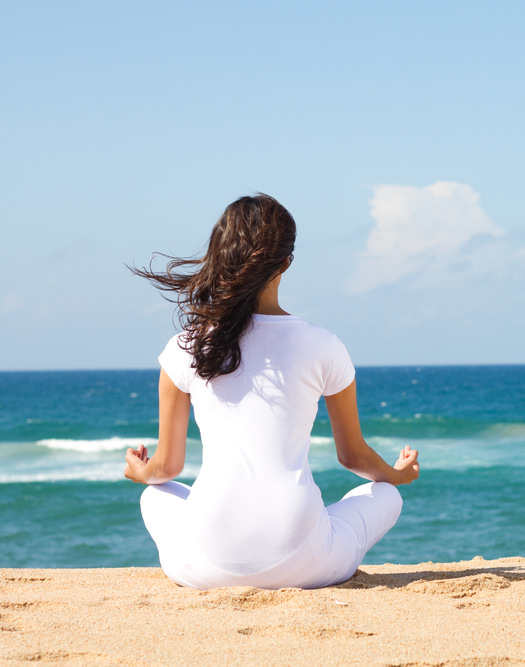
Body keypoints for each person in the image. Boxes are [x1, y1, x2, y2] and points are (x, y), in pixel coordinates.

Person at [124, 193, 419, 590]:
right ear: (285, 263)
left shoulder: (185, 348)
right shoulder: (323, 345)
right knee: (384, 495)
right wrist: (396, 476)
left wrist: (140, 470)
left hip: (205, 568)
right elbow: (353, 456)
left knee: (155, 495)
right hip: (306, 563)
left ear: (219, 255)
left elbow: (168, 469)